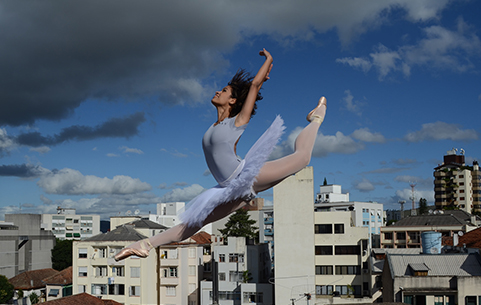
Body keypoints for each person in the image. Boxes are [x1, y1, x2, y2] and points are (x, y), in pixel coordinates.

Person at [114, 49, 326, 261]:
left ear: (232, 101)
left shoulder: (238, 122)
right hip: (226, 189)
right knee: (194, 224)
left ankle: (316, 118)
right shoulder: (212, 126)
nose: (217, 91)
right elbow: (252, 88)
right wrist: (258, 82)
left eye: (224, 90)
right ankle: (144, 245)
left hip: (244, 176)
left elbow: (252, 86)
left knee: (302, 158)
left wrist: (267, 62)